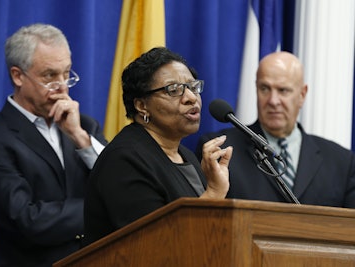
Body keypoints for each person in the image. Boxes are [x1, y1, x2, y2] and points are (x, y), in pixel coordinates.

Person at [0, 24, 107, 267]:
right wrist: (102, 209)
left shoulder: (84, 126)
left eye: (67, 73)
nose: (62, 87)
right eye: (50, 76)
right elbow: (28, 220)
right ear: (18, 76)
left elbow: (117, 183)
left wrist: (80, 138)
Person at [84, 47, 233, 244]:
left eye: (193, 87)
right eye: (174, 89)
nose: (191, 97)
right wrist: (214, 193)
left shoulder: (185, 155)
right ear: (141, 105)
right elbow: (156, 245)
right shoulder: (124, 160)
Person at [196, 51, 355, 208]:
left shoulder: (341, 162)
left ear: (302, 94)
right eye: (265, 89)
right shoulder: (220, 152)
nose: (273, 101)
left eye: (283, 90)